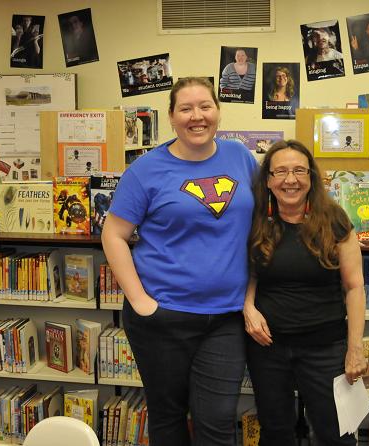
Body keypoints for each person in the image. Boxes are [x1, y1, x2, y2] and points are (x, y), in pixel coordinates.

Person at [102, 77, 258, 446]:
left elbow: (263, 223)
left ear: (218, 112)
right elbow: (114, 234)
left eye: (205, 106)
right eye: (186, 109)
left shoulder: (241, 157)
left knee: (218, 421)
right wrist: (141, 302)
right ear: (171, 117)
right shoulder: (146, 169)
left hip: (226, 317)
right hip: (162, 317)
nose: (197, 116)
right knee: (168, 417)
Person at [244, 139, 366, 445]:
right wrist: (248, 306)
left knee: (335, 433)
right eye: (281, 171)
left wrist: (355, 348)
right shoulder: (255, 220)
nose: (290, 179)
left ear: (311, 177)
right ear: (269, 180)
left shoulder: (335, 221)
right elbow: (248, 273)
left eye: (299, 170)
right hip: (268, 348)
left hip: (325, 347)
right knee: (276, 431)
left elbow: (354, 287)